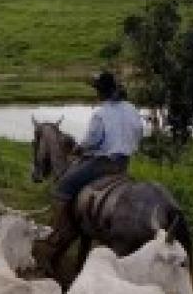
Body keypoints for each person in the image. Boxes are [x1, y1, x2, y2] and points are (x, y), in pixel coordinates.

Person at [45, 70, 144, 263]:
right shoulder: (131, 108)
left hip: (104, 163)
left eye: (97, 90)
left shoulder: (101, 113)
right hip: (123, 163)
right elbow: (138, 131)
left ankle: (60, 231)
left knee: (63, 187)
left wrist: (79, 149)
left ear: (101, 92)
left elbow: (93, 140)